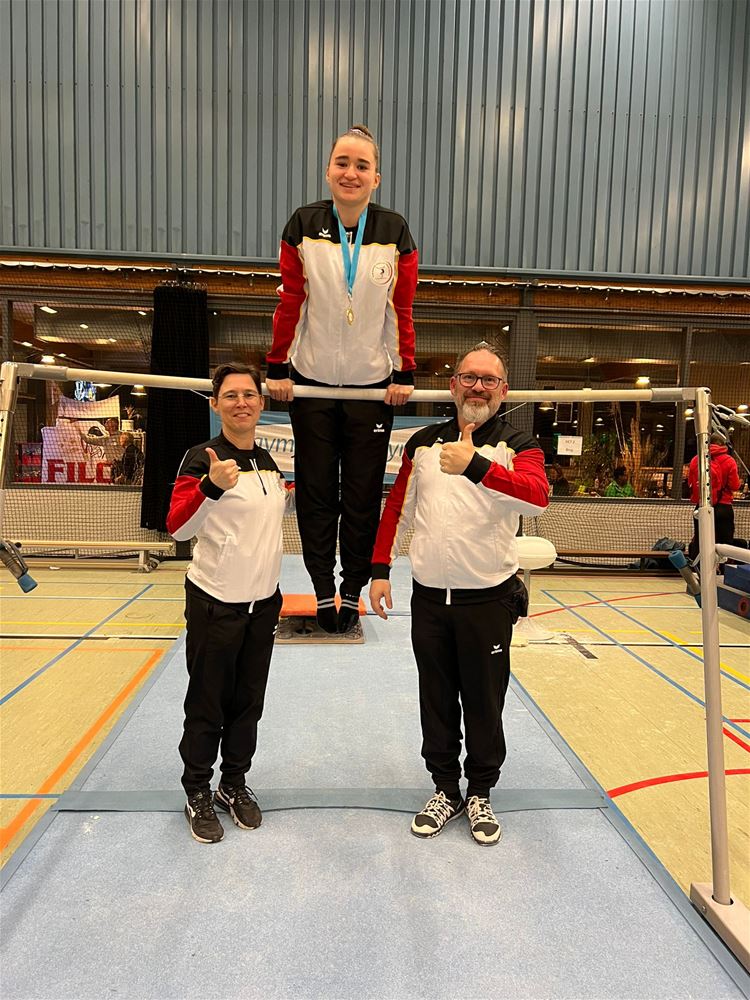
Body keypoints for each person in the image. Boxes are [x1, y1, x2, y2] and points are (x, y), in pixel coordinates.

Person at [369, 343, 549, 845]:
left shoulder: (518, 444)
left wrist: (476, 466)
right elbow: (397, 509)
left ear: (503, 391)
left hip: (487, 602)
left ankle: (481, 792)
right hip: (429, 600)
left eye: (489, 380)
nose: (478, 387)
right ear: (453, 386)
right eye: (469, 377)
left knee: (484, 703)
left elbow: (537, 499)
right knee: (436, 699)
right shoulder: (422, 444)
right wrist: (380, 569)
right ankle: (445, 788)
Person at [265, 124, 418, 635]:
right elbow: (292, 299)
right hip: (310, 382)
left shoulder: (394, 231)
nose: (351, 173)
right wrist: (278, 366)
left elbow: (400, 308)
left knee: (360, 494)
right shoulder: (304, 224)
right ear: (328, 170)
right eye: (342, 163)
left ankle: (351, 588)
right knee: (315, 493)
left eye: (362, 165)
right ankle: (320, 586)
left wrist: (403, 371)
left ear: (377, 177)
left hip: (370, 387)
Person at [166, 363, 293, 844]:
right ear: (216, 403)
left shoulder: (269, 462)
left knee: (247, 703)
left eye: (250, 395)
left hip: (263, 605)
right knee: (207, 703)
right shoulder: (202, 458)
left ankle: (233, 783)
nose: (242, 402)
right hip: (214, 603)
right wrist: (211, 486)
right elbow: (178, 528)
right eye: (232, 395)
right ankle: (197, 789)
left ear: (261, 403)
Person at [687, 432, 741, 562]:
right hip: (724, 507)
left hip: (702, 507)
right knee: (726, 543)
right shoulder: (729, 460)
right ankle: (724, 570)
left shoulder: (696, 459)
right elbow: (735, 486)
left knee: (700, 540)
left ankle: (698, 570)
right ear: (722, 444)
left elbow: (690, 483)